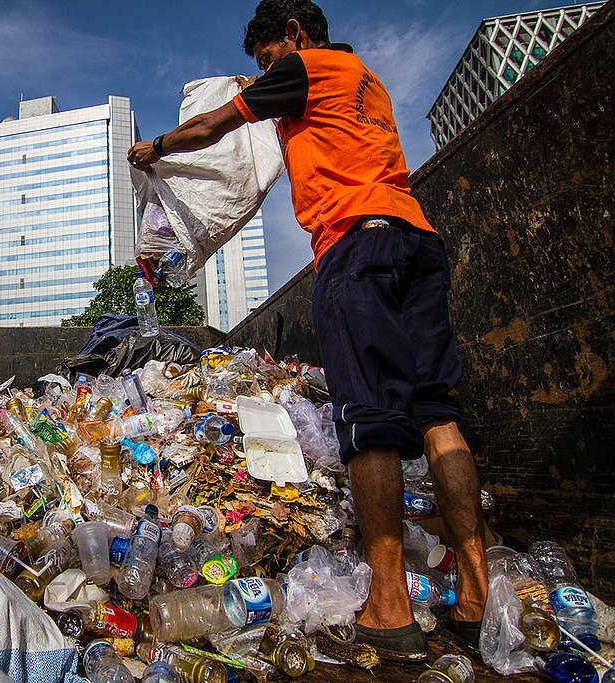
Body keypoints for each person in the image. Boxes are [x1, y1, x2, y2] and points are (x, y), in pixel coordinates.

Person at [128, 0, 489, 663]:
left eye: (267, 57)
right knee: (439, 416)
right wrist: (263, 86)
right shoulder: (361, 76)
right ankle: (475, 597)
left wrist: (156, 149)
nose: (268, 71)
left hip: (356, 249)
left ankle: (388, 604)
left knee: (370, 424)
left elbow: (211, 126)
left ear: (291, 35)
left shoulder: (301, 67)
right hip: (416, 240)